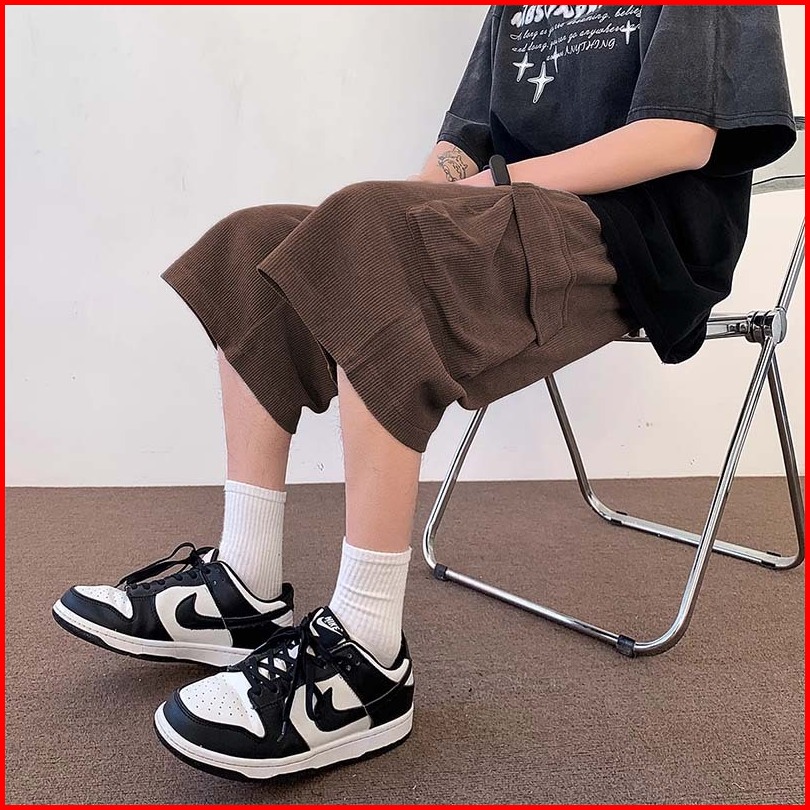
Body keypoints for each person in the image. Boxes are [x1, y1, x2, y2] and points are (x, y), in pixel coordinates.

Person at [52, 5, 795, 782]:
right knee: (255, 242)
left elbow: (680, 137)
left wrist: (444, 205)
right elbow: (462, 142)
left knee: (368, 236)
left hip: (637, 234)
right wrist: (381, 216)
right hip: (513, 209)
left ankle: (368, 654)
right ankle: (244, 581)